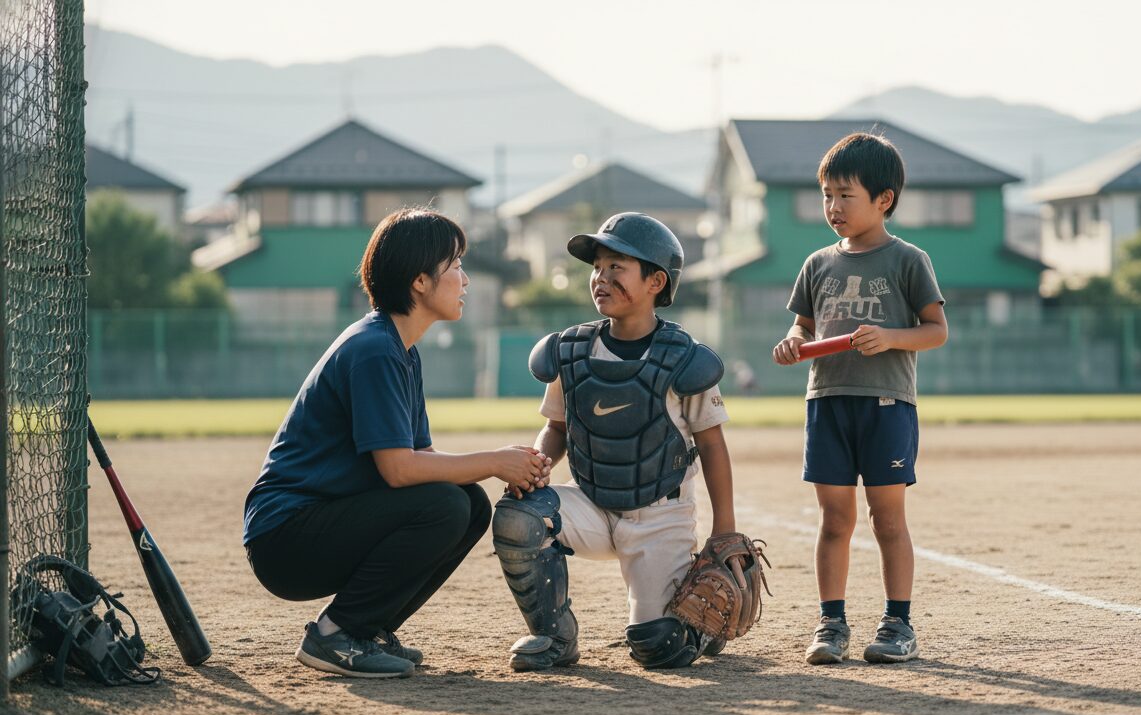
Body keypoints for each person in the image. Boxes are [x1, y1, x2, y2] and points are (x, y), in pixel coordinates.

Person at [244, 208, 551, 679]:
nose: (465, 279)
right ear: (419, 281)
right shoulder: (374, 349)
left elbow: (421, 458)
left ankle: (365, 630)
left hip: (317, 523)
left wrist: (508, 462)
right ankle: (336, 635)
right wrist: (493, 461)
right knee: (446, 506)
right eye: (455, 266)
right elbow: (399, 470)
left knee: (468, 503)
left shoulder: (398, 348)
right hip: (286, 538)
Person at [492, 212, 737, 672]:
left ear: (655, 281)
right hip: (592, 502)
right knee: (518, 517)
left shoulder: (684, 359)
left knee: (658, 646)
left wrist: (724, 527)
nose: (600, 278)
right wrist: (536, 467)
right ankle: (554, 636)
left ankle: (699, 628)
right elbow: (557, 429)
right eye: (597, 267)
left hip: (659, 514)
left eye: (616, 267)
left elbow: (712, 445)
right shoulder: (571, 351)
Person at [772, 132, 948, 665]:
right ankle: (831, 623)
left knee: (887, 519)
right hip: (827, 401)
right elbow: (803, 327)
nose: (833, 206)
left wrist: (890, 337)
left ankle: (898, 624)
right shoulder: (818, 263)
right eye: (827, 195)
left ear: (883, 199)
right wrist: (793, 343)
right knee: (834, 520)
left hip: (886, 404)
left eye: (845, 195)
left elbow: (936, 330)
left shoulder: (908, 259)